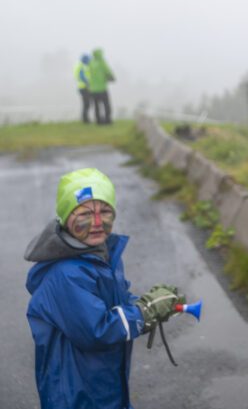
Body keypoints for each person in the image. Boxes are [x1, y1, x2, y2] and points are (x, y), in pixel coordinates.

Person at [24, 168, 184, 409]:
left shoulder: (100, 254)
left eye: (105, 211)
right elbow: (97, 331)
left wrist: (150, 304)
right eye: (85, 214)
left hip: (103, 384)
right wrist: (145, 313)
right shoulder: (66, 274)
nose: (97, 223)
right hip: (76, 396)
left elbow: (114, 304)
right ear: (65, 218)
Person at [89, 48, 116, 125]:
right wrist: (111, 77)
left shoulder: (91, 63)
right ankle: (107, 120)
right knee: (106, 105)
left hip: (93, 89)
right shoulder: (102, 62)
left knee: (96, 106)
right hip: (102, 88)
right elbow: (107, 70)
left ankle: (98, 121)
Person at [74, 54, 92, 123]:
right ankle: (85, 119)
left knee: (86, 104)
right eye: (88, 60)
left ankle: (85, 118)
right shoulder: (81, 66)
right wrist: (88, 83)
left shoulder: (80, 65)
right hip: (84, 87)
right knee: (86, 104)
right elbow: (82, 76)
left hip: (83, 87)